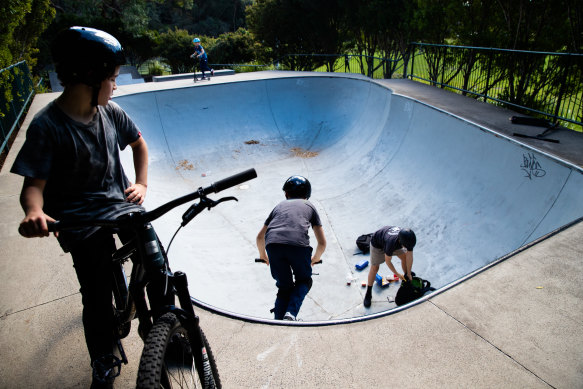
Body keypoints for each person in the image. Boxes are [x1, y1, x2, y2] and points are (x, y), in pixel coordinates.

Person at [10, 26, 162, 388]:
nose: (115, 86)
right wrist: (34, 211)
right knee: (95, 294)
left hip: (120, 205)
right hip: (80, 219)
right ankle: (104, 358)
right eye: (111, 79)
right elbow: (33, 186)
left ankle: (159, 330)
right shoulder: (48, 127)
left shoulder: (112, 112)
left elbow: (139, 145)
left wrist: (140, 183)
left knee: (156, 262)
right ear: (90, 79)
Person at [256, 176, 327, 321]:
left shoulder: (278, 206)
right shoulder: (309, 206)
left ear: (286, 194)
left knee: (284, 287)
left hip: (272, 245)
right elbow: (322, 243)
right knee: (304, 280)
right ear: (307, 195)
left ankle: (278, 321)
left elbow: (259, 237)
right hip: (298, 246)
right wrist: (315, 259)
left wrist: (263, 255)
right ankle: (291, 314)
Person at [363, 226, 416, 308]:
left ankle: (406, 278)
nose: (407, 248)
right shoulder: (391, 242)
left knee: (404, 258)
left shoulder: (408, 239)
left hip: (392, 241)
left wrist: (408, 273)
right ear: (401, 242)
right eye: (406, 246)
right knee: (375, 268)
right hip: (377, 243)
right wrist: (397, 274)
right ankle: (368, 293)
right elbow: (388, 261)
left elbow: (409, 256)